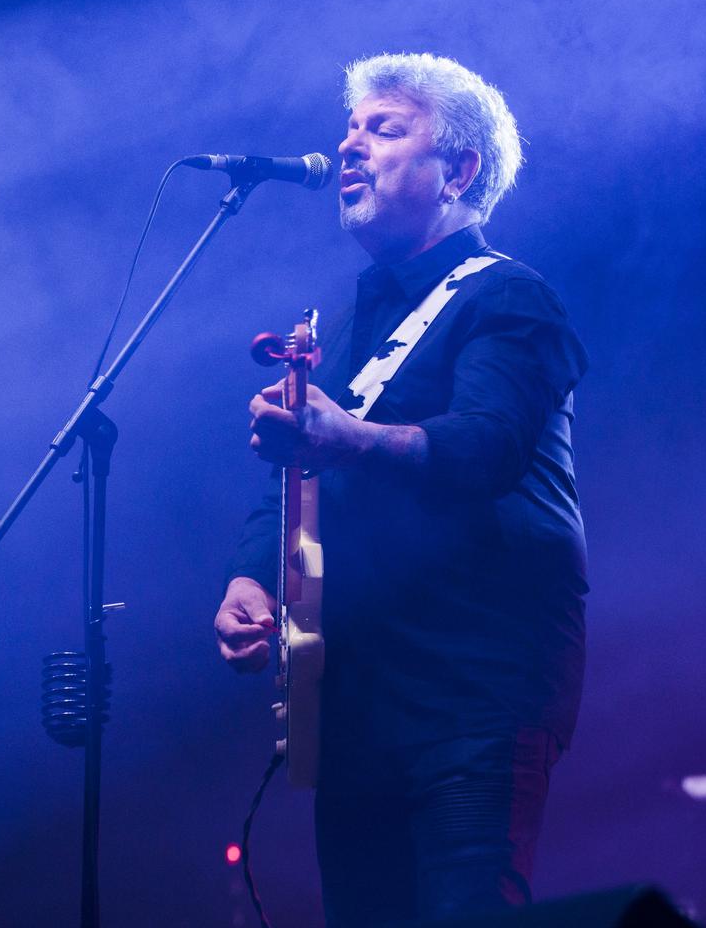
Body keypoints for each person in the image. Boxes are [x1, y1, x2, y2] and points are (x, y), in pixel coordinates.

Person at [214, 53, 588, 925]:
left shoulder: (508, 296)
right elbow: (295, 473)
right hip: (355, 698)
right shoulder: (346, 324)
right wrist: (249, 580)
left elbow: (489, 446)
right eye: (350, 129)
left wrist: (347, 436)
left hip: (472, 690)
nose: (350, 146)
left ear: (458, 170)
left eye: (383, 130)